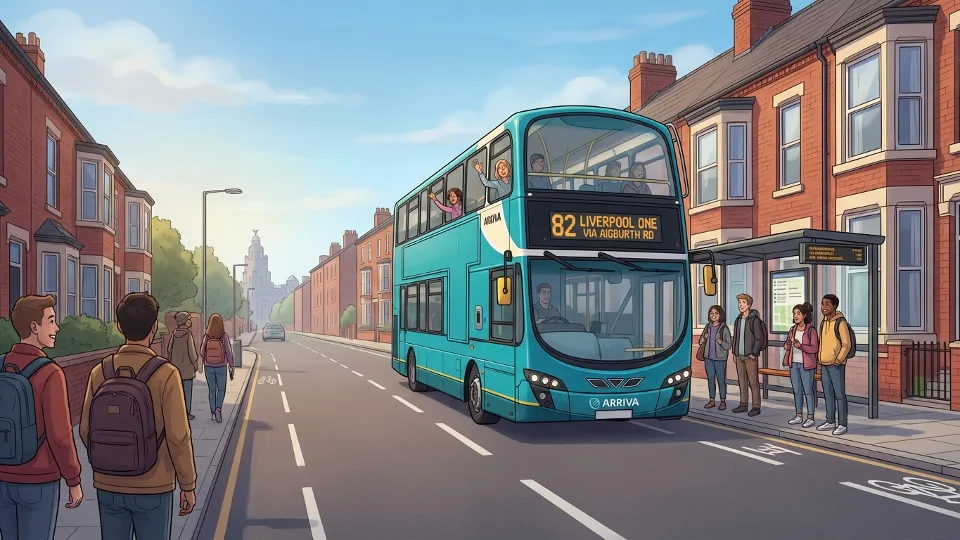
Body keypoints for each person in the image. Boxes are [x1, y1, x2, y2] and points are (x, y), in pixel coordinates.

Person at [80, 292, 196, 540]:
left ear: (120, 327)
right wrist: (188, 484)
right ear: (154, 327)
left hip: (108, 484)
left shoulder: (100, 371)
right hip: (153, 485)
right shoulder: (166, 374)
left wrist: (110, 457)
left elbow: (84, 430)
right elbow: (178, 437)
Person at [0, 295, 83, 540]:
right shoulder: (49, 373)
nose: (56, 328)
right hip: (38, 480)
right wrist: (73, 478)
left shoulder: (1, 364)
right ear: (34, 327)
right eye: (51, 321)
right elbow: (60, 436)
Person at [817, 294, 852, 436]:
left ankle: (842, 423)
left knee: (839, 395)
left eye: (827, 304)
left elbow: (846, 344)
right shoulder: (823, 323)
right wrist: (820, 361)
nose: (823, 307)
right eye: (822, 304)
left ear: (834, 306)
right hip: (824, 364)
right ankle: (830, 420)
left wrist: (838, 360)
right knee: (828, 394)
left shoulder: (840, 323)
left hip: (836, 365)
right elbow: (821, 344)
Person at [783, 302, 820, 428]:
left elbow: (814, 348)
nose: (795, 316)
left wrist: (801, 346)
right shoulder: (792, 329)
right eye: (794, 314)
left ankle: (810, 417)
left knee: (808, 391)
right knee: (797, 391)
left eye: (798, 313)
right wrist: (788, 344)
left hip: (807, 365)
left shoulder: (811, 330)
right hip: (793, 364)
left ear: (804, 315)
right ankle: (798, 415)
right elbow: (787, 346)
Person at [731, 293, 766, 416]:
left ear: (749, 304)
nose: (741, 305)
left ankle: (756, 406)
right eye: (739, 302)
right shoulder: (738, 319)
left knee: (753, 382)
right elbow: (735, 337)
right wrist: (734, 353)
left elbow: (759, 338)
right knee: (742, 381)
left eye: (743, 302)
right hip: (739, 356)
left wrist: (754, 353)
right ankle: (743, 404)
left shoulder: (754, 319)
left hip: (750, 356)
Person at [200, 314, 235, 423]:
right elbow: (228, 352)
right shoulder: (223, 336)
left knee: (211, 390)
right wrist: (231, 365)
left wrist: (202, 364)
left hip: (208, 366)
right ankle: (218, 408)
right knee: (221, 389)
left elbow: (201, 351)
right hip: (221, 366)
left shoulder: (207, 336)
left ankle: (213, 413)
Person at [167, 312, 200, 421]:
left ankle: (178, 412)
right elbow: (192, 352)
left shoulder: (174, 333)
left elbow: (169, 349)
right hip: (187, 369)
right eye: (189, 319)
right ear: (184, 321)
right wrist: (195, 364)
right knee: (187, 392)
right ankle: (187, 413)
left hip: (175, 368)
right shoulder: (188, 334)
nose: (190, 321)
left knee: (177, 391)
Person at [698, 305, 732, 410]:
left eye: (716, 313)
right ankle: (712, 400)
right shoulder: (707, 327)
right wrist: (705, 337)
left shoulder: (724, 328)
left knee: (721, 380)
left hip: (720, 359)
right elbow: (700, 342)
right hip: (708, 358)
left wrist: (720, 342)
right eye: (711, 313)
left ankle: (723, 401)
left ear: (720, 315)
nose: (713, 315)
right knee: (710, 379)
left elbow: (728, 345)